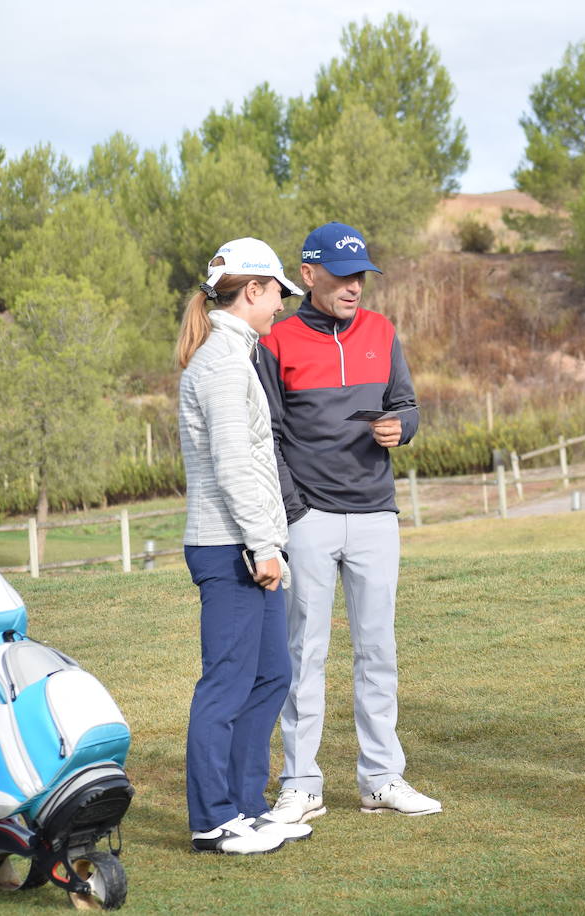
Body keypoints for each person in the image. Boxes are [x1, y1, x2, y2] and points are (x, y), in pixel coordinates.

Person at [256, 222, 440, 824]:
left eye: (360, 275)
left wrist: (400, 428)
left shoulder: (382, 331)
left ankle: (381, 778)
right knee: (304, 652)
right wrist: (295, 512)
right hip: (308, 517)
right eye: (341, 275)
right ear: (308, 276)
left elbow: (407, 404)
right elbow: (270, 438)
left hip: (375, 515)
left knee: (377, 651)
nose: (354, 286)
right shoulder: (276, 341)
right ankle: (301, 782)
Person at [177, 237, 313, 854]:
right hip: (230, 545)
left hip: (250, 543)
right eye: (277, 292)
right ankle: (212, 819)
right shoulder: (224, 364)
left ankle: (245, 806)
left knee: (271, 674)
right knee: (227, 684)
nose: (282, 304)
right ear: (252, 290)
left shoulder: (238, 356)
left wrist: (269, 543)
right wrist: (263, 545)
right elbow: (234, 463)